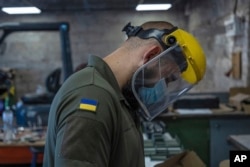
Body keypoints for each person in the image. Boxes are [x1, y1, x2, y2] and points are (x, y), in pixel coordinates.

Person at [43, 21, 206, 167]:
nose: (161, 85)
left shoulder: (118, 96)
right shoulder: (92, 97)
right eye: (167, 77)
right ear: (150, 56)